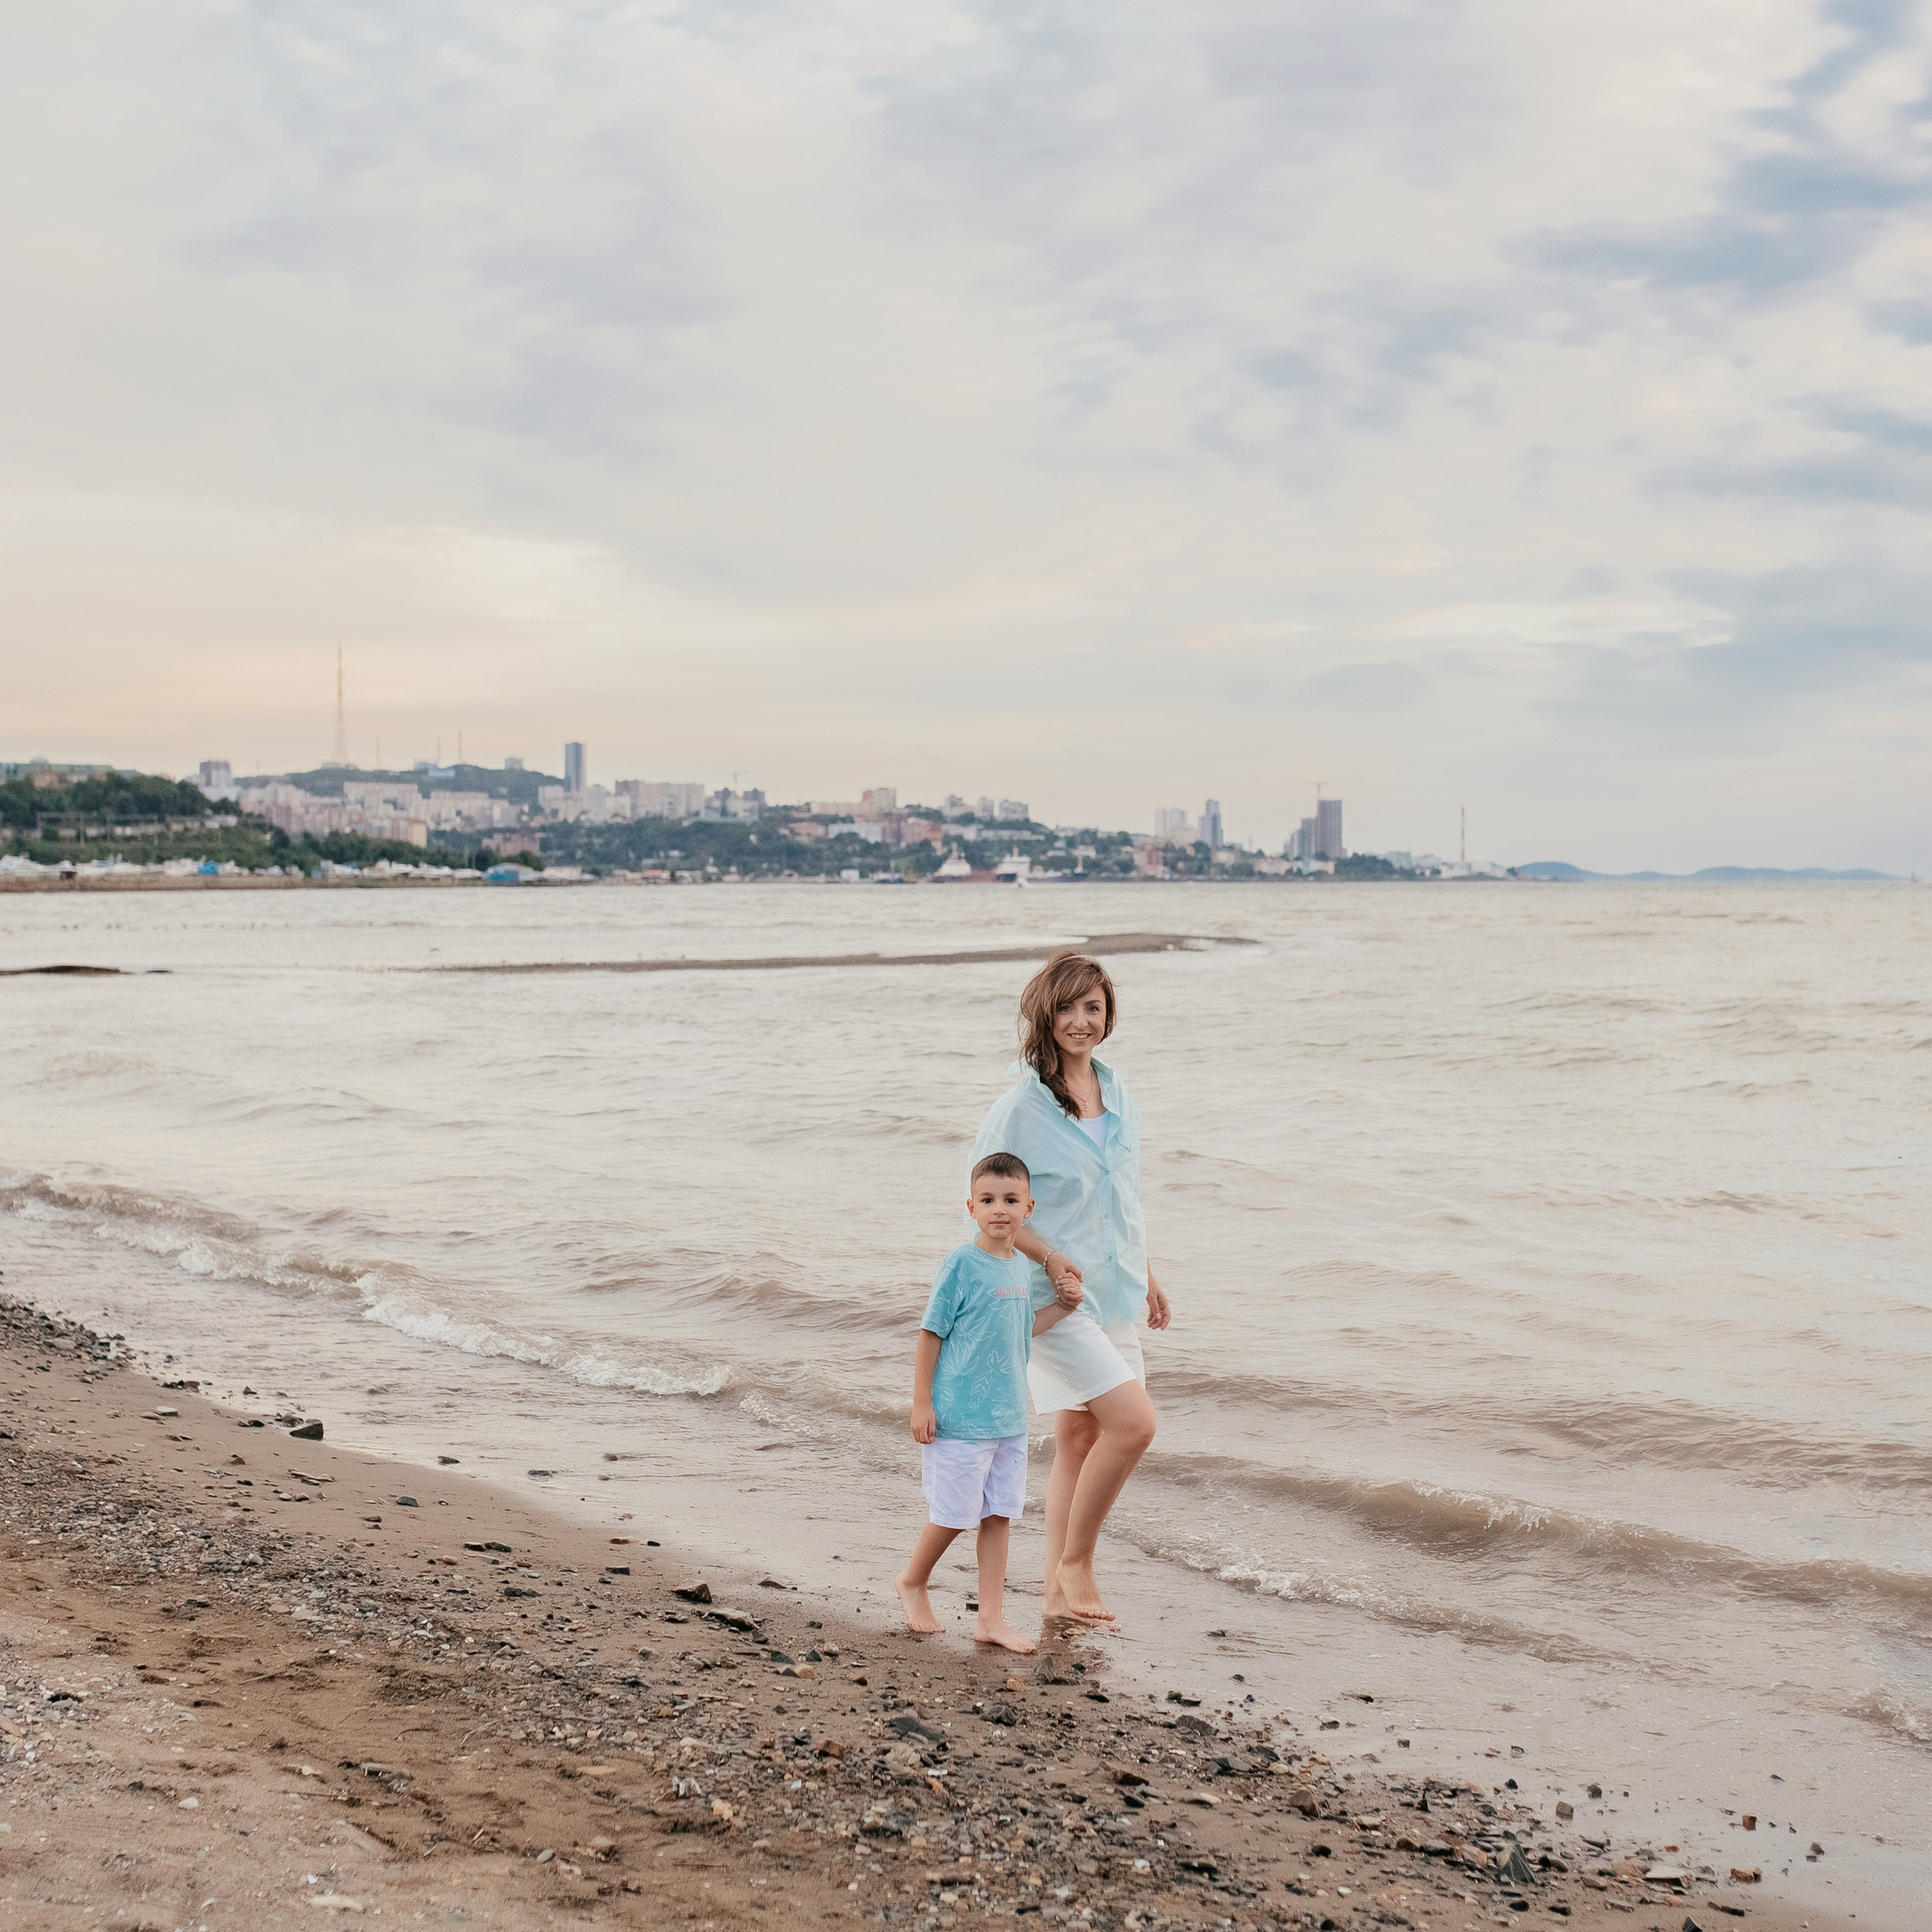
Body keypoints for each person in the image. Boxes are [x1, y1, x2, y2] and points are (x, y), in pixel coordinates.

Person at [969, 949, 1170, 1625]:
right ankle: (1078, 1561)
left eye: (1093, 1007)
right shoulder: (1019, 1108)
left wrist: (1148, 1276)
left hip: (1112, 1291)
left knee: (1081, 1436)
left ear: (1109, 1014)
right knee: (1134, 1424)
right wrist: (1051, 1258)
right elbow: (989, 1201)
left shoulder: (1117, 1097)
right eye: (1067, 1008)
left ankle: (1056, 1590)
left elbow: (1120, 1199)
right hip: (1048, 1299)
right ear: (1044, 1014)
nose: (1080, 1021)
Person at [896, 1152, 1046, 1655]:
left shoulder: (1023, 1269)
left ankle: (991, 1619)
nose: (998, 1209)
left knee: (999, 1514)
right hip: (960, 1416)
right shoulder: (961, 1263)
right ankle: (913, 1581)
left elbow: (1021, 1330)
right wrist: (922, 1403)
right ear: (971, 1206)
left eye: (1009, 1200)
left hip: (1009, 1418)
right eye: (987, 1200)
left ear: (1028, 1206)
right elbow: (931, 1332)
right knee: (954, 1514)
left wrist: (1063, 1308)